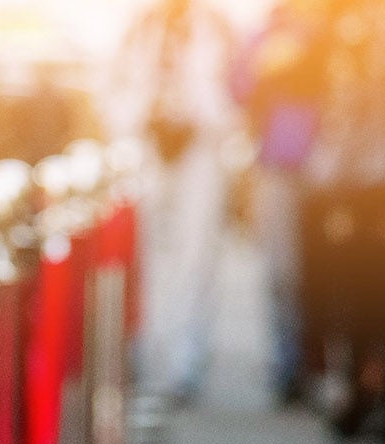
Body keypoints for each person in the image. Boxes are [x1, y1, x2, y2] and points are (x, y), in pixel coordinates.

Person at [303, 0, 385, 444]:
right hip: (355, 192)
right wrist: (331, 196)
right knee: (353, 300)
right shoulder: (345, 38)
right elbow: (335, 121)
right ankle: (361, 392)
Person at [107, 0, 238, 405]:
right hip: (149, 146)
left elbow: (238, 93)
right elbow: (114, 86)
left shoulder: (217, 26)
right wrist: (141, 116)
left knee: (195, 257)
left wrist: (200, 112)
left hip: (200, 147)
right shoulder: (141, 25)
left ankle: (187, 361)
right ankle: (146, 354)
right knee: (144, 256)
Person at [234, 0, 328, 406]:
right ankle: (289, 365)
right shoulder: (264, 33)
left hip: (333, 172)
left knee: (326, 276)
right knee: (282, 272)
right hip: (277, 166)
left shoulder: (334, 29)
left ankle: (326, 367)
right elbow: (237, 87)